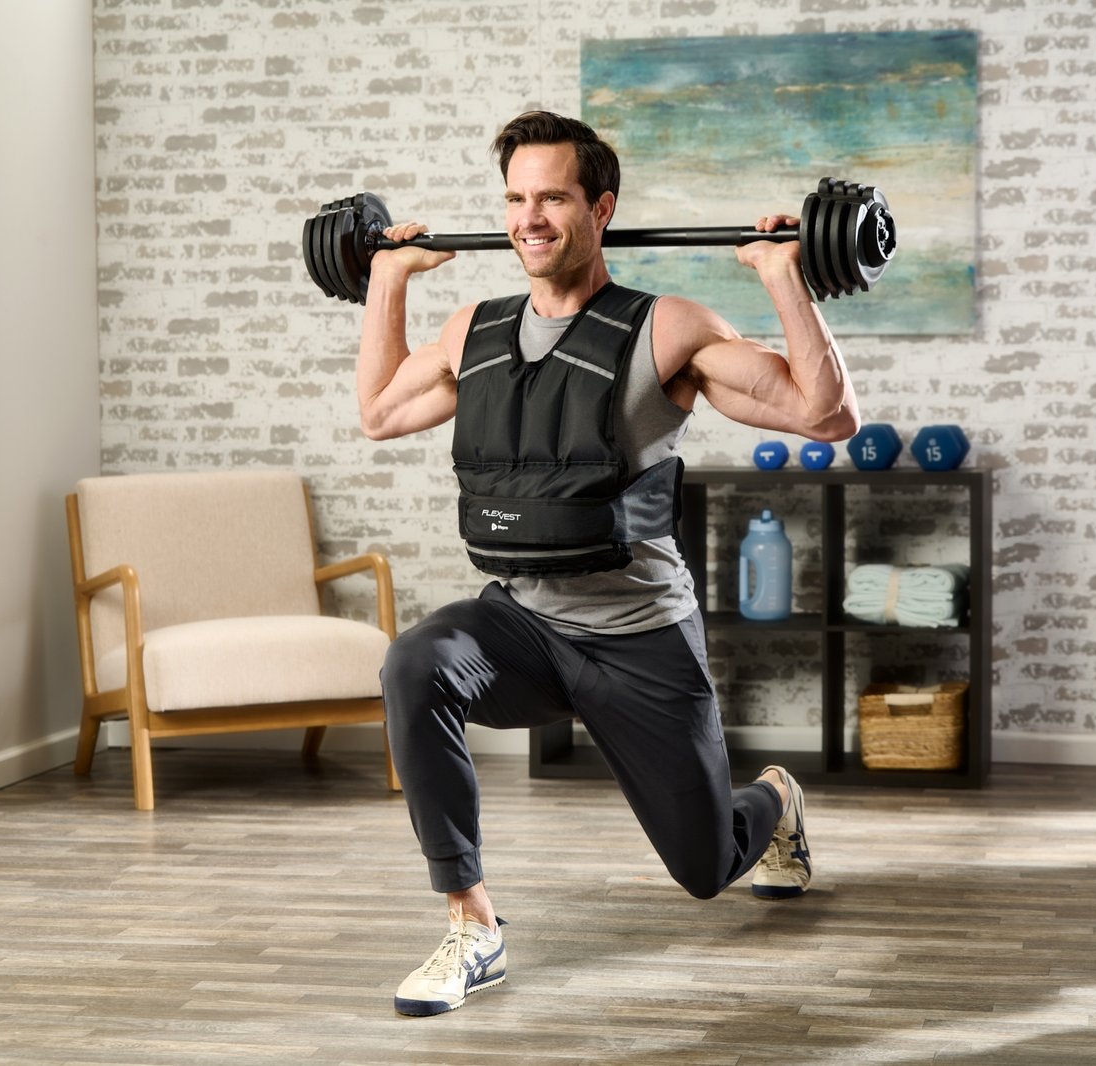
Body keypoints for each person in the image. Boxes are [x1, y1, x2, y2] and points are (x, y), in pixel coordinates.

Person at [357, 110, 860, 1017]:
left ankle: (772, 801)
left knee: (706, 870)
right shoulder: (474, 326)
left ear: (601, 207)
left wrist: (787, 278)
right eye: (515, 198)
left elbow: (823, 416)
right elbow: (382, 414)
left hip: (639, 640)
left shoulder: (666, 329)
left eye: (552, 196)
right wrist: (385, 280)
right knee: (413, 662)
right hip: (524, 624)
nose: (528, 218)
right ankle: (473, 925)